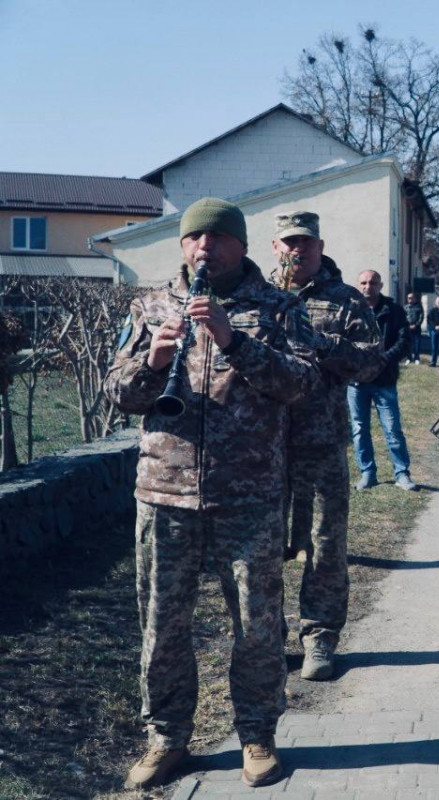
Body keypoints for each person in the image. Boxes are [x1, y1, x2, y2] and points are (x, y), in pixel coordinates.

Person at [103, 197, 320, 789]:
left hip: (248, 495)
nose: (206, 248)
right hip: (164, 494)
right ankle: (167, 737)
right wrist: (152, 360)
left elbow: (303, 383)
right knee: (163, 624)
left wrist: (234, 341)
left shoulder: (278, 308)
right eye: (196, 239)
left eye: (219, 239)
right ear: (182, 246)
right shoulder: (148, 306)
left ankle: (256, 735)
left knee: (257, 624)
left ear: (242, 246)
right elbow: (118, 390)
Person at [269, 212, 383, 682]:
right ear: (276, 246)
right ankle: (267, 637)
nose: (299, 250)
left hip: (321, 442)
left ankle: (319, 638)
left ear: (321, 246)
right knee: (261, 547)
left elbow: (371, 363)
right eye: (290, 242)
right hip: (261, 446)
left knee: (325, 546)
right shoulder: (259, 297)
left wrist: (323, 343)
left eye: (307, 243)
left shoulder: (346, 301)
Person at [349, 271, 418, 492]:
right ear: (358, 285)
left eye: (372, 282)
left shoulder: (394, 311)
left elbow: (404, 341)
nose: (368, 286)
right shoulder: (350, 310)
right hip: (356, 382)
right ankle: (368, 473)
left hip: (384, 380)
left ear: (380, 285)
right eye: (364, 283)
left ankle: (402, 473)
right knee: (359, 429)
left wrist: (384, 359)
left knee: (392, 428)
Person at [403, 292, 424, 364]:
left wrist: (416, 325)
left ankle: (417, 358)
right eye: (408, 298)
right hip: (408, 328)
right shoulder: (405, 307)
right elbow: (403, 317)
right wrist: (407, 325)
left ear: (414, 298)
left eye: (411, 298)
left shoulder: (419, 307)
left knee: (417, 343)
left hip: (417, 328)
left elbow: (421, 317)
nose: (410, 299)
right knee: (408, 343)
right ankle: (409, 358)